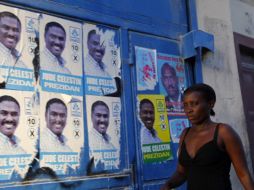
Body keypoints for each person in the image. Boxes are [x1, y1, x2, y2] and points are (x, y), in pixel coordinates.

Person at [161, 83, 254, 190]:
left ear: (210, 103)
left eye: (194, 104)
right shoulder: (185, 134)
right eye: (185, 105)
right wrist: (168, 184)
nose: (189, 110)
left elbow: (243, 174)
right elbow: (182, 172)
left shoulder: (223, 132)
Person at [89, 101, 116, 169]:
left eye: (105, 116)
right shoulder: (88, 143)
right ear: (91, 117)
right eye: (98, 115)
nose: (102, 120)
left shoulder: (111, 146)